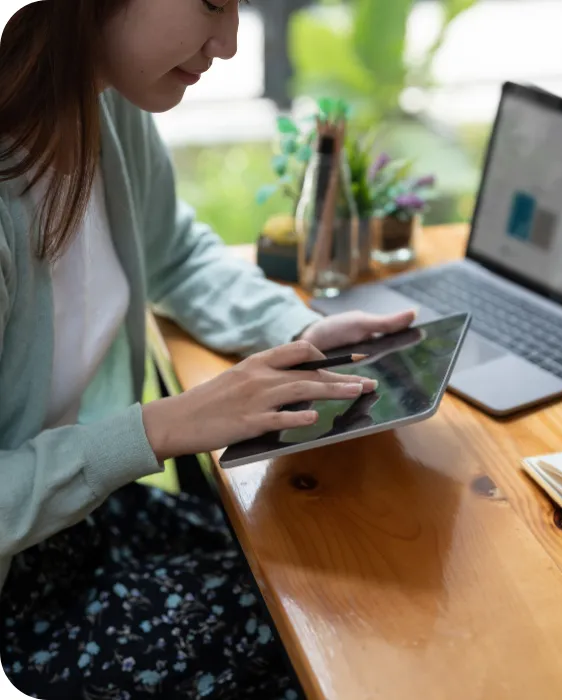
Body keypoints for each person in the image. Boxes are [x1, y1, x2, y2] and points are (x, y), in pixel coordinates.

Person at [0, 1, 415, 698]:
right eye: (212, 2)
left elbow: (177, 254)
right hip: (22, 591)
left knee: (324, 575)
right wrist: (161, 428)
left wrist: (295, 327)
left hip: (74, 525)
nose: (227, 43)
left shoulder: (97, 100)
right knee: (328, 640)